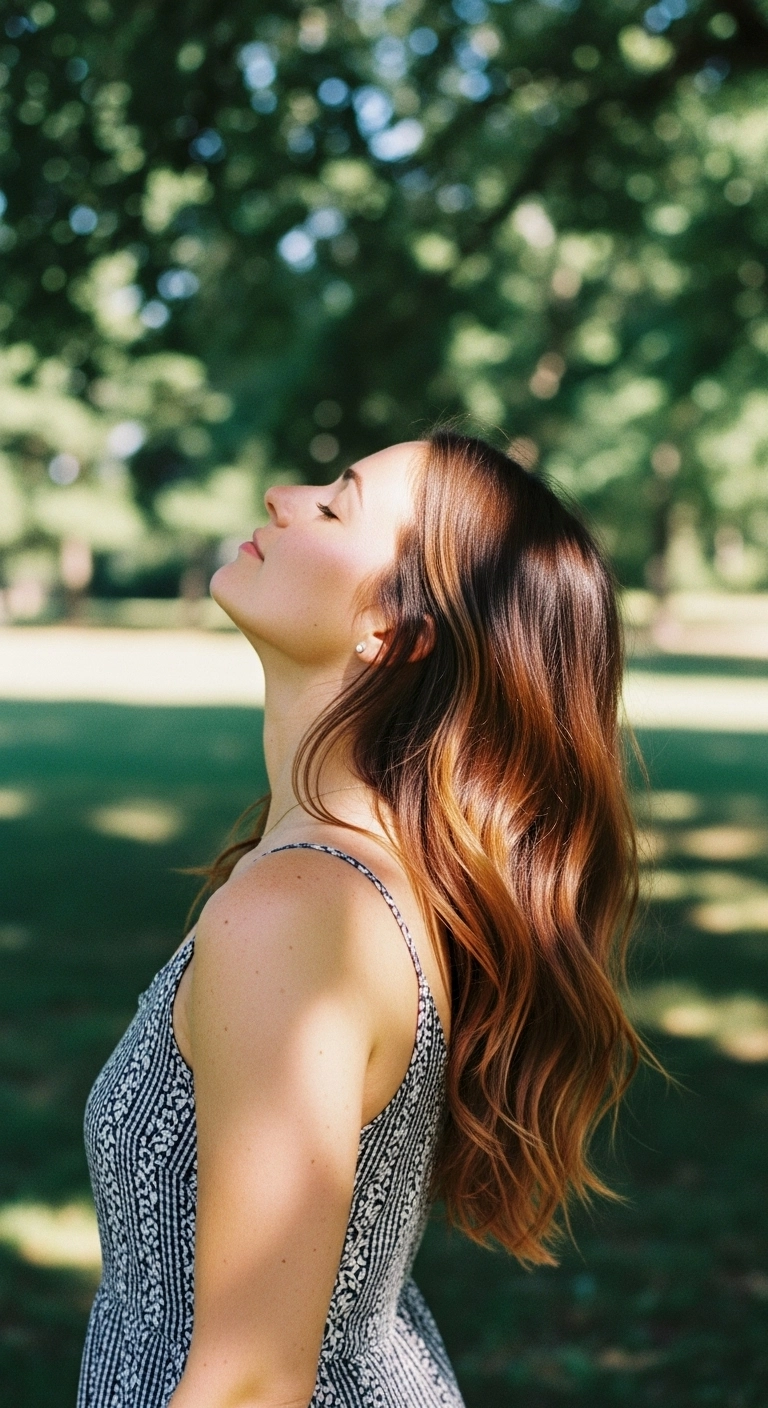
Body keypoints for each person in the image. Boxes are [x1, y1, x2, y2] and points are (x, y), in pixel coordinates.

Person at [77, 429, 643, 1408]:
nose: (281, 495)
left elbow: (252, 1384)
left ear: (390, 626)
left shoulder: (301, 917)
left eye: (335, 505)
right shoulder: (354, 881)